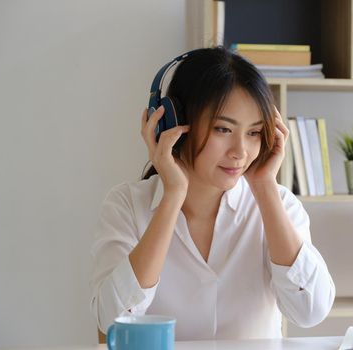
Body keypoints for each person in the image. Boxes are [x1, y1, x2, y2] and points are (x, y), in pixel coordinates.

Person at [90, 47, 335, 340]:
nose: (240, 152)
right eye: (222, 129)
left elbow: (311, 311)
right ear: (172, 123)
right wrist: (172, 197)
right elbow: (113, 321)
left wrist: (265, 188)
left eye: (254, 133)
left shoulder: (279, 204)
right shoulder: (127, 205)